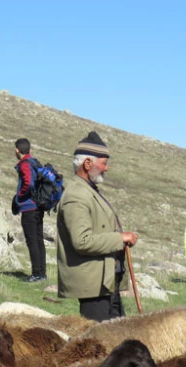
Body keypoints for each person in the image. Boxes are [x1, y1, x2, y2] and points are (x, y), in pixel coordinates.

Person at [57, 131, 138, 321]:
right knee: (98, 344)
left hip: (105, 282)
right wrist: (120, 239)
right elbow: (82, 241)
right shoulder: (76, 195)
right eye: (103, 163)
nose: (106, 168)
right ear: (87, 164)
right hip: (93, 286)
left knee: (116, 339)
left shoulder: (88, 190)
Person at [12, 137, 46, 282]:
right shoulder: (34, 163)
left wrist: (19, 196)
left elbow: (29, 184)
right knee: (38, 240)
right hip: (38, 207)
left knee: (32, 241)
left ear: (17, 150)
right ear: (30, 150)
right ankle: (42, 273)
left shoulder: (25, 164)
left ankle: (36, 274)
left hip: (29, 208)